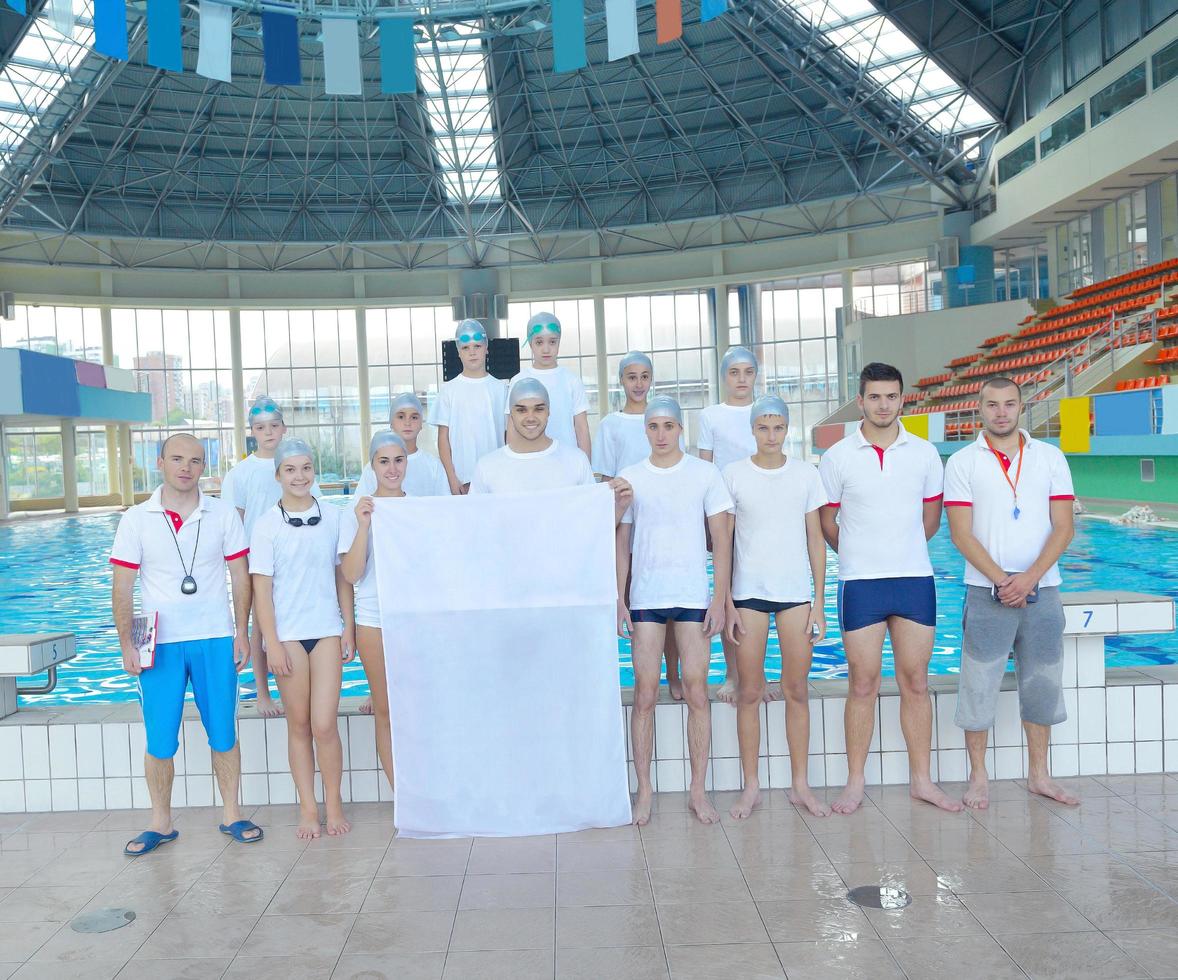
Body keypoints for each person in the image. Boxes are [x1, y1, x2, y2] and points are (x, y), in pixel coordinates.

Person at [819, 362, 961, 815]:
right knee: (862, 683)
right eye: (875, 397)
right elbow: (827, 522)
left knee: (916, 681)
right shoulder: (838, 456)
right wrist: (861, 551)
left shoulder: (923, 454)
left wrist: (899, 549)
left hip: (913, 580)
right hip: (860, 582)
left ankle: (922, 780)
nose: (884, 405)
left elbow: (932, 518)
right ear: (860, 401)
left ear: (903, 400)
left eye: (892, 397)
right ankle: (854, 781)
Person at [111, 433, 263, 855]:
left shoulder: (221, 515)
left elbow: (240, 576)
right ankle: (160, 822)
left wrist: (240, 632)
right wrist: (127, 643)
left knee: (223, 732)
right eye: (177, 459)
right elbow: (122, 587)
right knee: (159, 738)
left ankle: (232, 813)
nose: (185, 467)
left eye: (195, 461)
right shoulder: (137, 518)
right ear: (159, 462)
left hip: (214, 634)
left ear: (203, 467)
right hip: (154, 638)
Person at [945, 376, 1079, 809]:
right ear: (978, 409)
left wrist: (1031, 578)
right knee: (978, 684)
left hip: (1044, 590)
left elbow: (1064, 527)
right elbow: (961, 535)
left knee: (1042, 683)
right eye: (992, 404)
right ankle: (978, 777)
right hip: (987, 591)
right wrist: (1004, 580)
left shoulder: (1051, 457)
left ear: (1022, 407)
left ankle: (1039, 775)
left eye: (1008, 404)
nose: (1000, 412)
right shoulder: (963, 462)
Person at [617, 396, 733, 827]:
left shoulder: (704, 474)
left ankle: (698, 791)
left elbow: (721, 541)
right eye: (654, 427)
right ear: (645, 431)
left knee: (697, 692)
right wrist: (618, 598)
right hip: (646, 597)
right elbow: (620, 543)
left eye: (669, 426)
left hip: (691, 597)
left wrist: (720, 599)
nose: (662, 434)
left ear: (681, 429)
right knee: (645, 694)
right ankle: (644, 792)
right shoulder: (630, 478)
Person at [724, 395, 829, 819]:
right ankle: (751, 787)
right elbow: (724, 544)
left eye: (778, 428)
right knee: (749, 692)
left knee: (796, 690)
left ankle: (799, 784)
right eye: (763, 427)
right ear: (752, 430)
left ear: (788, 429)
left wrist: (819, 601)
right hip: (748, 593)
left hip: (794, 595)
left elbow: (816, 540)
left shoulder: (806, 475)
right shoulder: (733, 475)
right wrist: (726, 600)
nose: (771, 435)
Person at [250, 439, 355, 840]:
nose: (300, 476)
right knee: (299, 723)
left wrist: (348, 625)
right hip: (289, 636)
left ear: (315, 471)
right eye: (290, 469)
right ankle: (308, 808)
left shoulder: (334, 516)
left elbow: (341, 576)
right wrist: (272, 643)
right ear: (278, 475)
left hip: (326, 630)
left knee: (325, 723)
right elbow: (262, 591)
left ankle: (334, 803)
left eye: (306, 468)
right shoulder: (265, 526)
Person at [594, 351, 687, 701]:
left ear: (651, 379)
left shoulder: (663, 417)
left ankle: (674, 673)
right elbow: (604, 478)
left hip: (663, 523)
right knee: (634, 603)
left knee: (674, 607)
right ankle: (643, 674)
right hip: (627, 520)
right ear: (621, 380)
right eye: (631, 376)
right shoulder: (610, 425)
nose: (638, 383)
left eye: (644, 376)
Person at [220, 395, 320, 718]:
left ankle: (298, 688)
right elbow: (233, 522)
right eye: (261, 428)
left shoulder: (294, 463)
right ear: (252, 432)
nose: (268, 433)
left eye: (274, 426)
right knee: (260, 626)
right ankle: (263, 692)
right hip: (256, 560)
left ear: (283, 428)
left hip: (292, 557)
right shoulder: (240, 473)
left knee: (284, 623)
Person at [339, 432, 408, 798]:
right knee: (385, 710)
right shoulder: (358, 512)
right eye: (384, 461)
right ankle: (402, 797)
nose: (392, 468)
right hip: (374, 622)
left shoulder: (418, 510)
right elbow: (350, 575)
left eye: (398, 460)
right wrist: (364, 525)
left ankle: (424, 786)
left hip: (412, 622)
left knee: (416, 708)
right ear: (372, 466)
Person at [699, 347, 759, 706]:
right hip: (724, 511)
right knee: (727, 591)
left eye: (747, 372)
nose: (741, 379)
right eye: (734, 372)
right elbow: (706, 467)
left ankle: (756, 671)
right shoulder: (711, 416)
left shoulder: (765, 408)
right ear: (724, 376)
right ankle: (734, 672)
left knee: (758, 595)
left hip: (761, 509)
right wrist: (706, 520)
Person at [433, 319, 508, 495]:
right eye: (466, 348)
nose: (472, 352)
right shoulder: (448, 391)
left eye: (477, 346)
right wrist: (452, 478)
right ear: (458, 352)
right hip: (461, 479)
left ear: (486, 348)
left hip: (496, 477)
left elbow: (508, 437)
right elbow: (443, 440)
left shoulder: (501, 389)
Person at [507, 311, 592, 459]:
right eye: (539, 342)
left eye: (552, 342)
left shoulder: (571, 380)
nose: (546, 349)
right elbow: (512, 428)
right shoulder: (518, 381)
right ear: (530, 343)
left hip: (567, 461)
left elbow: (581, 428)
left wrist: (586, 467)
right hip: (530, 460)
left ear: (559, 342)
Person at [357, 392, 450, 498]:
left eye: (414, 417)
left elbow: (445, 507)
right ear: (391, 422)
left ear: (421, 424)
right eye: (401, 417)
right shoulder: (372, 468)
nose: (407, 423)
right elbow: (357, 508)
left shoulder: (434, 466)